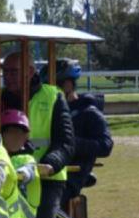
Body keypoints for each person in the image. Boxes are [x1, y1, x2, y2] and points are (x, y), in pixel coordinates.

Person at [1, 52, 74, 218]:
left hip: (47, 180)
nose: (8, 77)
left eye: (14, 71)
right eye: (5, 72)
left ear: (31, 70)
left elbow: (66, 143)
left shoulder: (53, 97)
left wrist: (50, 165)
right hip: (9, 178)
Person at [41, 59, 114, 206]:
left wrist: (70, 143)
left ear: (68, 84)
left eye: (53, 85)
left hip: (71, 178)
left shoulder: (88, 113)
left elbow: (106, 145)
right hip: (46, 172)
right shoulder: (47, 110)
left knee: (46, 206)